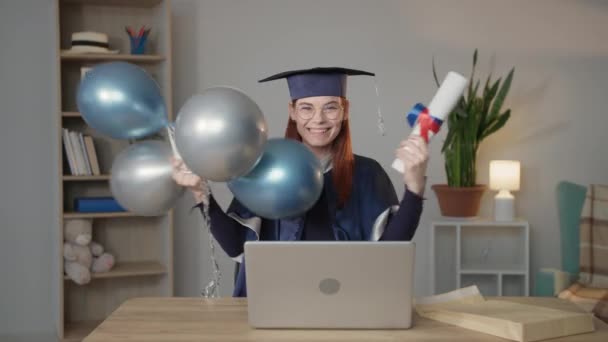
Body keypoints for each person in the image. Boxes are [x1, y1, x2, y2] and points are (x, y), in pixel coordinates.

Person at [172, 67, 429, 297]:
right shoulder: (265, 169)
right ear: (292, 112)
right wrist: (200, 190)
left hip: (348, 299)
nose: (318, 119)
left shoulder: (367, 172)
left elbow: (391, 251)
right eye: (307, 107)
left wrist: (414, 188)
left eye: (330, 107)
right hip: (276, 297)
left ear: (345, 111)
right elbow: (236, 246)